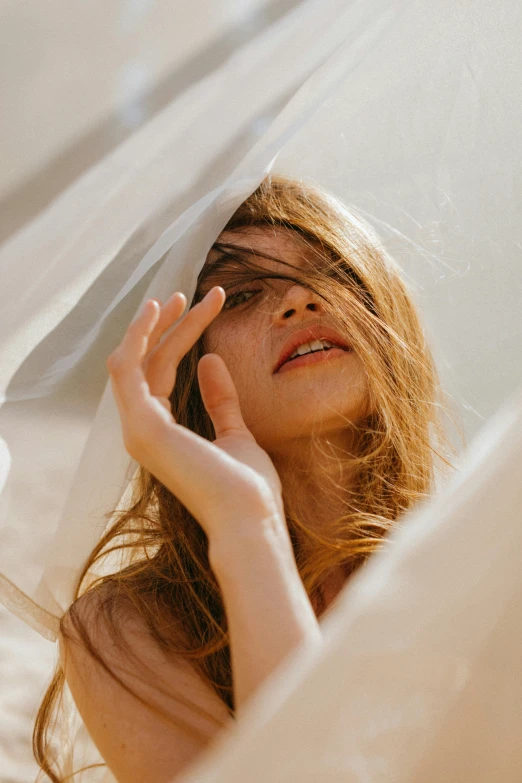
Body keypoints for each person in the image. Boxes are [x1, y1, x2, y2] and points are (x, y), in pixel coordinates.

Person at [32, 175, 459, 783]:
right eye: (238, 295)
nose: (299, 302)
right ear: (178, 373)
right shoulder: (129, 629)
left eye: (331, 270)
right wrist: (246, 523)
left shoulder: (489, 549)